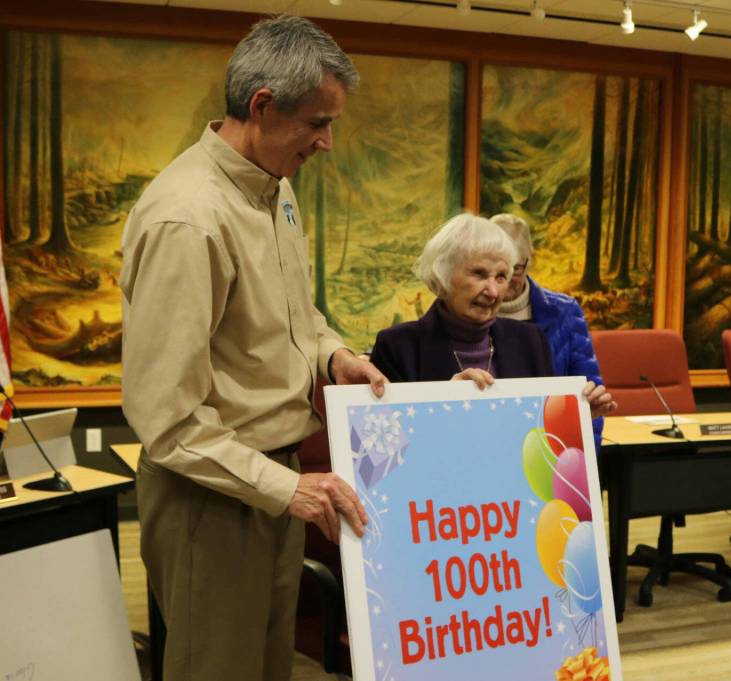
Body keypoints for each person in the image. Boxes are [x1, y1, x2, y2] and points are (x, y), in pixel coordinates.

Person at [119, 16, 387, 681]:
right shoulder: (188, 217)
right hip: (208, 501)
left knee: (269, 668)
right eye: (317, 123)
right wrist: (287, 487)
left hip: (276, 486)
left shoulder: (276, 189)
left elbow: (296, 316)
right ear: (263, 106)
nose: (327, 143)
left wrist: (332, 355)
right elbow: (167, 418)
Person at [369, 214, 617, 420]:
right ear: (442, 276)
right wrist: (442, 405)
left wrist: (578, 417)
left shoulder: (530, 340)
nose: (493, 291)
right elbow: (385, 449)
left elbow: (539, 431)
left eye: (501, 277)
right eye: (479, 274)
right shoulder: (397, 347)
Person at [491, 213, 605, 446]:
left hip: (549, 446)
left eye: (516, 268)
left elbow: (588, 393)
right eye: (497, 270)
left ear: (529, 261)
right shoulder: (469, 314)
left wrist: (583, 462)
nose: (506, 279)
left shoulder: (564, 312)